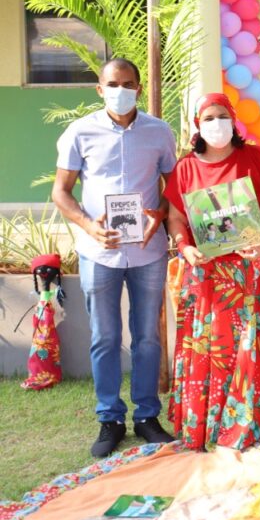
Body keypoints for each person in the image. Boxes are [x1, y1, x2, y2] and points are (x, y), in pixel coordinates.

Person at [52, 57, 176, 458]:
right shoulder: (79, 132)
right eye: (112, 84)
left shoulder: (160, 132)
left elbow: (174, 185)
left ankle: (147, 417)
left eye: (127, 84)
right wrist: (89, 226)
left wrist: (160, 213)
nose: (120, 91)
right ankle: (110, 419)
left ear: (138, 88)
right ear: (99, 89)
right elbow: (61, 191)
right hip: (98, 252)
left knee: (147, 337)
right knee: (104, 337)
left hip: (148, 251)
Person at [165, 93, 260, 450]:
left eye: (222, 116)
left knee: (254, 342)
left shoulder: (255, 157)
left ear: (234, 119)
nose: (216, 124)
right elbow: (175, 218)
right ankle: (210, 422)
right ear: (198, 124)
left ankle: (258, 418)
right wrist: (185, 247)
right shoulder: (185, 168)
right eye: (208, 118)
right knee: (214, 346)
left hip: (252, 268)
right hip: (208, 275)